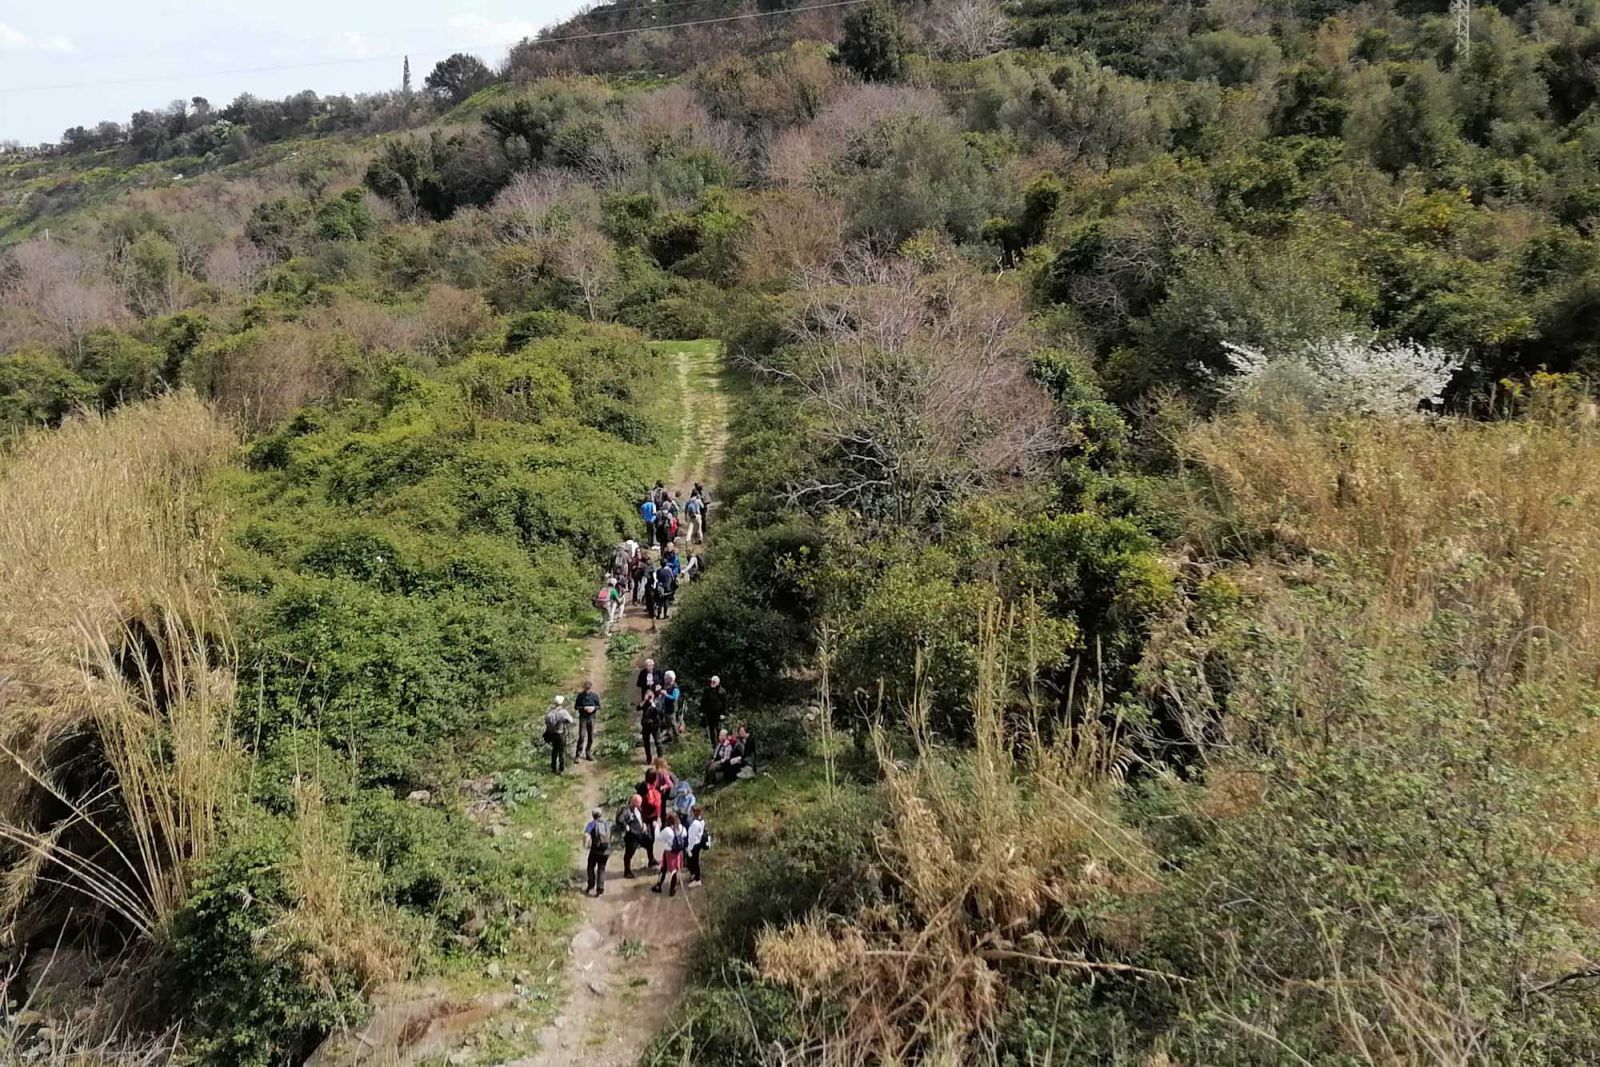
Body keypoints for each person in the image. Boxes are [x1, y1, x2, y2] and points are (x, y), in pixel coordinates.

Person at [652, 812, 687, 896]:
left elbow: (658, 838)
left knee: (663, 868)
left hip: (669, 853)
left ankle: (658, 885)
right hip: (678, 853)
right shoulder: (683, 828)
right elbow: (685, 836)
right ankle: (672, 889)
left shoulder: (667, 830)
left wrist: (657, 827)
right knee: (674, 871)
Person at [617, 795, 648, 878]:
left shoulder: (638, 808)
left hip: (639, 833)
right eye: (638, 804)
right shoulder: (626, 810)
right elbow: (619, 820)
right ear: (633, 802)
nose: (639, 806)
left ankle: (651, 860)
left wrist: (643, 824)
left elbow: (641, 816)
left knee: (649, 843)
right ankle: (627, 871)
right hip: (631, 836)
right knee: (629, 854)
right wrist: (626, 826)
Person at [637, 769, 662, 869]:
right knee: (649, 839)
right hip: (648, 817)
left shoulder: (643, 786)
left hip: (646, 817)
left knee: (650, 839)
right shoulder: (651, 788)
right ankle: (650, 859)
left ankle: (651, 859)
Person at [543, 695, 574, 774]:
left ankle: (553, 768)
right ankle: (561, 768)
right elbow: (571, 720)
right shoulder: (563, 712)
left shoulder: (551, 712)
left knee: (554, 751)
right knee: (561, 752)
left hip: (553, 734)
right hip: (561, 734)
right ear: (562, 703)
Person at [584, 806, 611, 896]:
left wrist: (585, 845)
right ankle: (600, 889)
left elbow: (586, 835)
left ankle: (591, 884)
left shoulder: (592, 824)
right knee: (601, 868)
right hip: (606, 851)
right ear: (601, 815)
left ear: (593, 815)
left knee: (590, 866)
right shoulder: (607, 824)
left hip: (595, 851)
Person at [574, 679, 601, 761]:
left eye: (588, 688)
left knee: (591, 736)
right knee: (581, 736)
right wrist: (583, 708)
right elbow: (576, 707)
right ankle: (578, 754)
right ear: (584, 688)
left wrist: (593, 708)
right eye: (586, 688)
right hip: (583, 717)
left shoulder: (594, 696)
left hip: (592, 717)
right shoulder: (580, 696)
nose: (587, 690)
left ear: (591, 688)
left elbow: (599, 706)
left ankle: (588, 752)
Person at [686, 804, 708, 887]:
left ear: (694, 812)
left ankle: (697, 879)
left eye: (691, 811)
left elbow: (692, 837)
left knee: (693, 862)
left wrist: (689, 849)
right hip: (697, 843)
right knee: (693, 862)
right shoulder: (701, 820)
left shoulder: (695, 823)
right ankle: (694, 876)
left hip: (694, 845)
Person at [701, 675, 728, 744]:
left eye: (714, 682)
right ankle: (713, 744)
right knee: (711, 729)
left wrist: (723, 713)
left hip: (718, 714)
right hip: (709, 713)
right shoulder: (707, 690)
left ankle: (720, 743)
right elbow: (703, 701)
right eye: (711, 681)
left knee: (719, 729)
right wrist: (702, 711)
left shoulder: (722, 691)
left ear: (718, 683)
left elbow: (725, 703)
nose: (712, 683)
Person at [640, 687, 664, 763]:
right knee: (646, 742)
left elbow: (659, 712)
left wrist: (652, 703)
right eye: (647, 694)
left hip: (655, 725)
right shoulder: (645, 703)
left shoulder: (657, 702)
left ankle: (660, 758)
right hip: (645, 725)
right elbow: (638, 707)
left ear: (653, 695)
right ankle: (648, 758)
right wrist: (644, 700)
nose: (649, 697)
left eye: (650, 695)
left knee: (658, 742)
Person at [651, 561, 677, 627]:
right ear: (666, 564)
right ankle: (665, 615)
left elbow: (656, 579)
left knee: (660, 601)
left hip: (661, 587)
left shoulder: (659, 571)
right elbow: (672, 578)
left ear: (660, 564)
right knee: (666, 601)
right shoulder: (669, 570)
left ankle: (659, 615)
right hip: (668, 588)